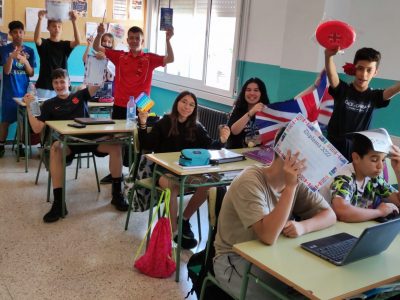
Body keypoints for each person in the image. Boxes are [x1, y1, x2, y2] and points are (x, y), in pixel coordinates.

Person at [213, 128, 336, 299]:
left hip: (273, 257)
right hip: (235, 260)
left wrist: (302, 227)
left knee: (319, 288)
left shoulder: (298, 182)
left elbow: (330, 215)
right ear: (288, 154)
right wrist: (290, 187)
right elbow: (268, 236)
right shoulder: (250, 180)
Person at [24, 68, 129, 223]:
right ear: (52, 84)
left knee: (116, 146)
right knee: (55, 149)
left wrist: (102, 66)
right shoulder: (48, 104)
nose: (59, 85)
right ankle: (59, 203)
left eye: (62, 81)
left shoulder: (80, 95)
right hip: (68, 145)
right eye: (56, 82)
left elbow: (96, 84)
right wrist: (29, 106)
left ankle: (117, 194)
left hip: (89, 141)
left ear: (69, 82)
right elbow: (37, 128)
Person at [138, 91, 230, 249]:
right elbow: (148, 144)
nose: (187, 107)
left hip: (186, 172)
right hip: (163, 171)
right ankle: (174, 232)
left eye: (191, 104)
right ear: (177, 103)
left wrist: (222, 140)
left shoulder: (196, 127)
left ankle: (184, 219)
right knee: (172, 187)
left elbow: (209, 146)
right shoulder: (164, 122)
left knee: (208, 183)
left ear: (195, 109)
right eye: (184, 102)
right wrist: (143, 123)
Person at [325, 47, 400, 161]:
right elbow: (332, 76)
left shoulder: (374, 96)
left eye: (369, 70)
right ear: (355, 68)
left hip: (358, 154)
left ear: (375, 72)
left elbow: (392, 90)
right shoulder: (343, 90)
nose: (363, 74)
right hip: (332, 149)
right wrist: (328, 56)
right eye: (360, 68)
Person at [93, 23, 174, 119]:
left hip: (143, 103)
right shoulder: (120, 56)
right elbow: (96, 47)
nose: (134, 41)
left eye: (137, 38)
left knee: (142, 133)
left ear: (142, 41)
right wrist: (99, 34)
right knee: (119, 133)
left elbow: (170, 59)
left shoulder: (150, 58)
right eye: (131, 38)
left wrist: (168, 41)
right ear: (127, 40)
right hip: (121, 102)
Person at [319, 130, 400, 222]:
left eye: (383, 160)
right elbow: (342, 212)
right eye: (374, 160)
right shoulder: (343, 178)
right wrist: (379, 212)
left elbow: (398, 201)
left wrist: (398, 171)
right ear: (356, 158)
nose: (380, 166)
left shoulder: (374, 178)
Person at [0, 20, 36, 158]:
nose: (18, 34)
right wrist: (11, 57)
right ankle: (1, 145)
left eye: (20, 32)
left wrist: (25, 61)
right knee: (5, 121)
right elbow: (7, 71)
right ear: (10, 34)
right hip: (9, 92)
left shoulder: (30, 51)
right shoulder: (4, 50)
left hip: (24, 93)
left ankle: (20, 146)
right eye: (15, 32)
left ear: (23, 33)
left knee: (23, 120)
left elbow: (31, 73)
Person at [34, 10, 81, 98]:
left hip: (63, 86)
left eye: (59, 26)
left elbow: (78, 41)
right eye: (54, 26)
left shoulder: (65, 45)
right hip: (45, 86)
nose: (57, 28)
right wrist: (40, 19)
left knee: (63, 111)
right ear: (48, 28)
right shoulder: (44, 43)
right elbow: (37, 39)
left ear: (62, 29)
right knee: (45, 111)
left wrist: (74, 22)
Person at [226, 77, 270, 149]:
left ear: (261, 93)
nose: (252, 93)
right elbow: (234, 131)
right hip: (236, 153)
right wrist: (251, 112)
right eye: (248, 90)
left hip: (257, 154)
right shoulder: (238, 107)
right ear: (244, 92)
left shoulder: (266, 111)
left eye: (256, 90)